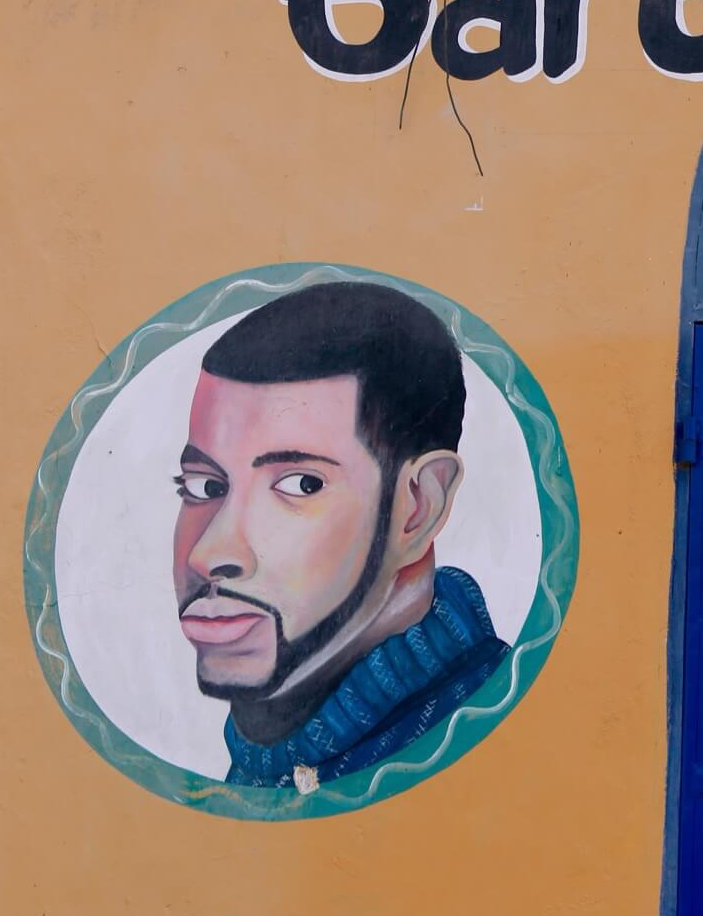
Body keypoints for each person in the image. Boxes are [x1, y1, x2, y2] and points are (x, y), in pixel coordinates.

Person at [172, 281, 507, 787]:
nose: (209, 553)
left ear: (417, 507)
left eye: (301, 484)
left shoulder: (497, 740)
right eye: (204, 486)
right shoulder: (268, 761)